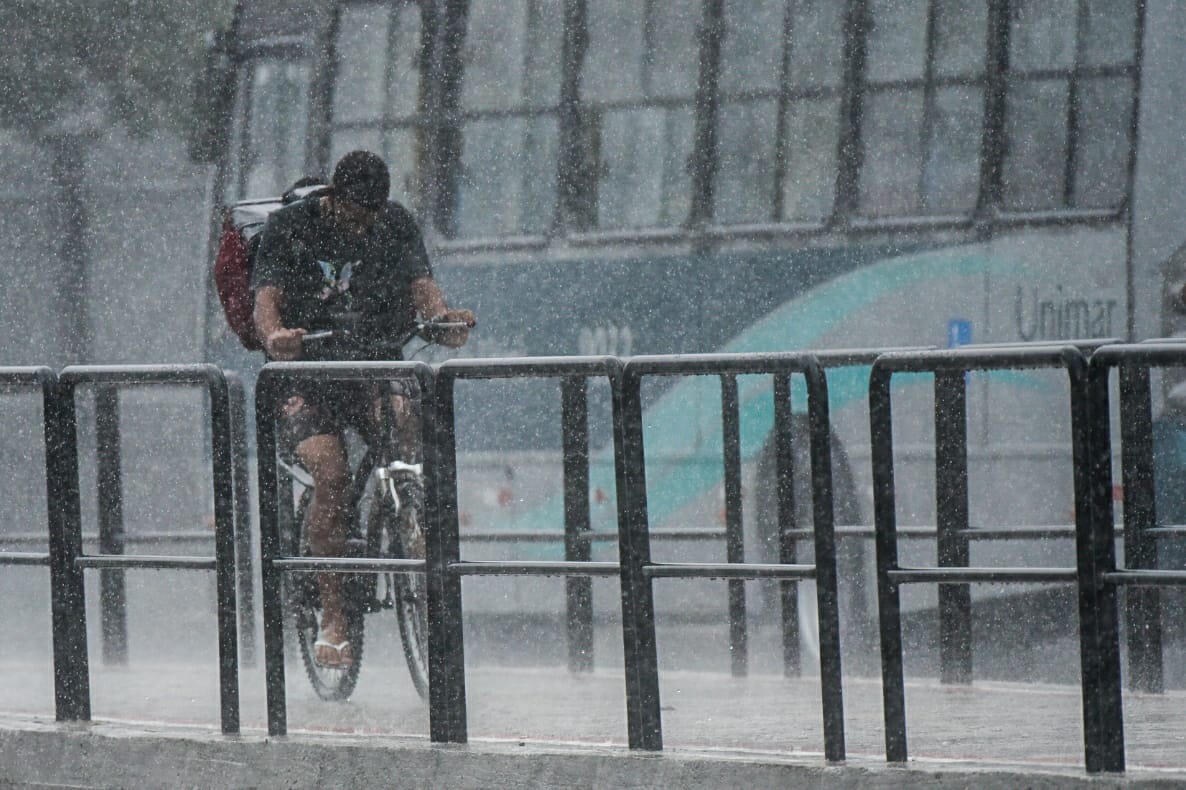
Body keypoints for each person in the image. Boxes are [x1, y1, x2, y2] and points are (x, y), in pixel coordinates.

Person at [252, 150, 475, 668]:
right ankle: (334, 620)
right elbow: (266, 302)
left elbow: (424, 291)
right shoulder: (290, 228)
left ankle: (408, 514)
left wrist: (444, 321)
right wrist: (277, 336)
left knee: (406, 424)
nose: (364, 224)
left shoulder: (394, 223)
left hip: (373, 366)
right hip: (308, 375)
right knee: (330, 474)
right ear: (333, 197)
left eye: (373, 214)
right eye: (356, 213)